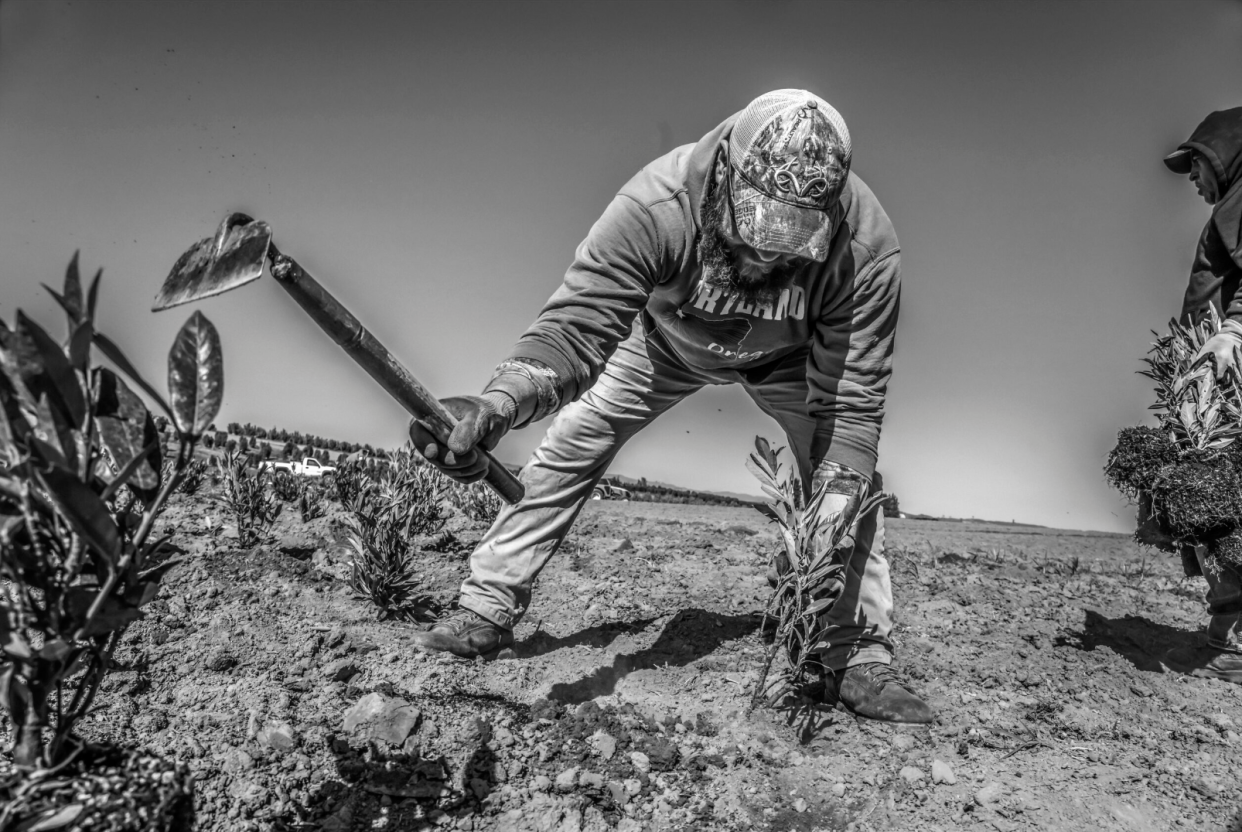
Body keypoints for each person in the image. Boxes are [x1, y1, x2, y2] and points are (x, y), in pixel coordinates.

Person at [408, 89, 931, 724]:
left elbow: (851, 408)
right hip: (663, 345)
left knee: (850, 489)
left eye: (791, 242)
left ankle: (855, 657)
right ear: (724, 180)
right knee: (577, 438)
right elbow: (574, 332)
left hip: (790, 363)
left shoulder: (866, 248)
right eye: (755, 231)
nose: (769, 255)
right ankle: (486, 607)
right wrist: (498, 407)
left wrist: (826, 519)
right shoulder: (656, 206)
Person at [1157, 107, 1242, 683]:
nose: (1191, 177)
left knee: (1215, 498)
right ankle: (1229, 633)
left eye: (1197, 163)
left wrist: (1234, 330)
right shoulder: (1231, 207)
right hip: (1214, 373)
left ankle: (1231, 641)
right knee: (1213, 500)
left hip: (1229, 377)